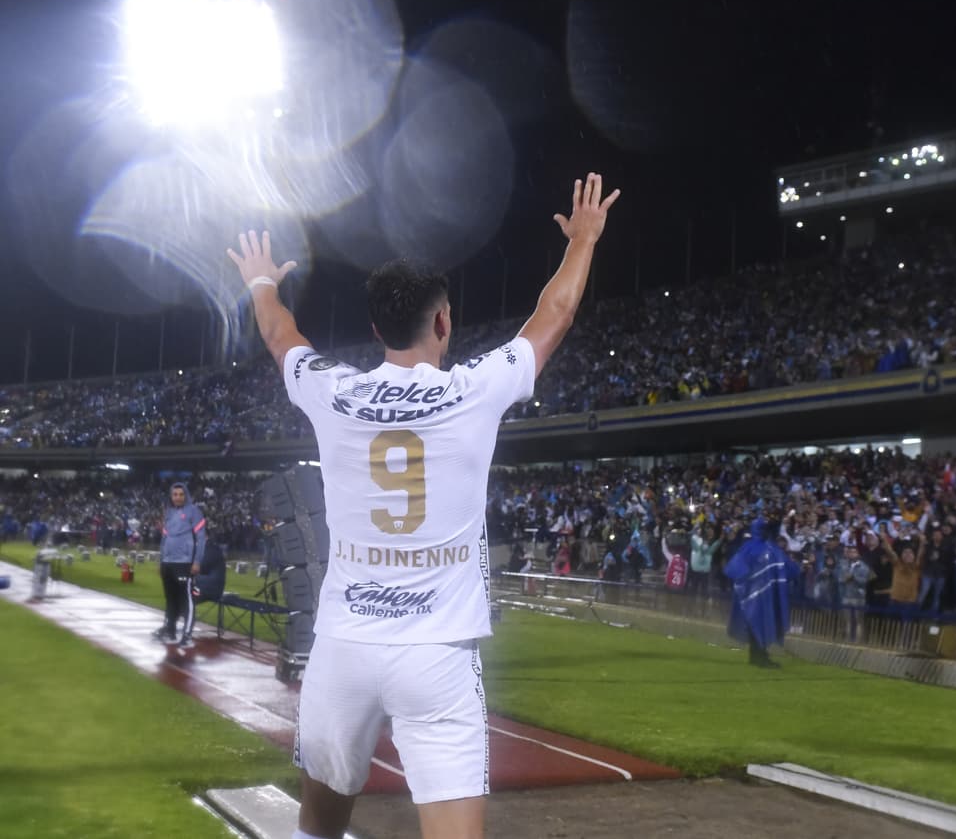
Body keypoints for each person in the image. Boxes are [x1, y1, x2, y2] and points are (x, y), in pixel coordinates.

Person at [226, 172, 619, 839]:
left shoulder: (333, 390)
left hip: (344, 646)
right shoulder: (476, 388)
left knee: (316, 831)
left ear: (377, 326)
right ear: (443, 320)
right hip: (435, 655)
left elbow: (279, 334)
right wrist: (582, 240)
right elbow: (554, 314)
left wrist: (262, 280)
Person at [723, 512, 796, 668]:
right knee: (763, 623)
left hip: (750, 595)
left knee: (754, 624)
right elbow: (790, 570)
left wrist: (746, 584)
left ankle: (757, 656)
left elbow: (732, 569)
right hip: (764, 595)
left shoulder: (747, 547)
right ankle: (760, 657)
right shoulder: (770, 549)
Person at [153, 482, 207, 649]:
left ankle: (187, 636)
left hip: (184, 562)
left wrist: (197, 561)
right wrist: (161, 560)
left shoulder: (194, 512)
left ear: (186, 495)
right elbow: (164, 539)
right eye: (175, 494)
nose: (178, 497)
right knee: (170, 599)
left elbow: (201, 539)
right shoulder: (168, 513)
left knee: (186, 601)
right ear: (171, 496)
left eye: (181, 494)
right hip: (168, 562)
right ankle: (170, 632)